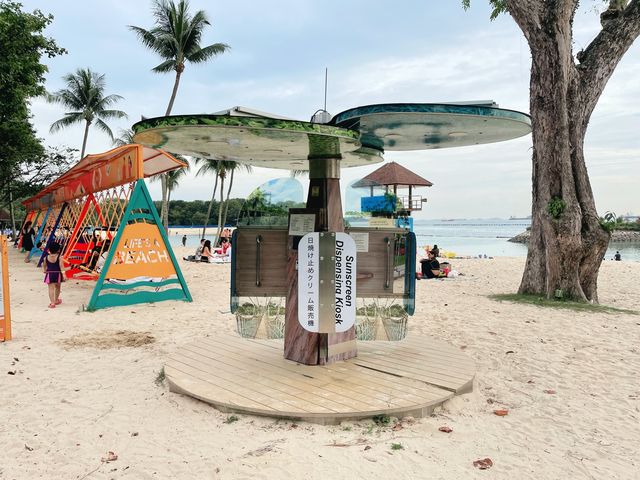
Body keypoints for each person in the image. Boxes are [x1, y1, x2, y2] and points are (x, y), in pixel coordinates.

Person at [43, 242, 64, 308]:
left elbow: (44, 267)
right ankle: (56, 300)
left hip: (50, 274)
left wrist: (45, 271)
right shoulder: (59, 257)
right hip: (57, 274)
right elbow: (61, 267)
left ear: (49, 249)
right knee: (58, 287)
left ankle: (52, 303)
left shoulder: (46, 258)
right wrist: (64, 274)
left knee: (51, 288)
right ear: (58, 250)